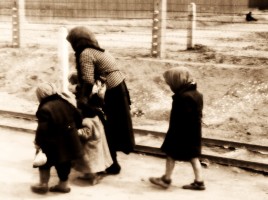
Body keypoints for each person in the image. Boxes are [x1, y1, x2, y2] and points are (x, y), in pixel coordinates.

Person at [66, 26, 135, 175]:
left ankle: (111, 164)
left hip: (111, 94)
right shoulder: (98, 51)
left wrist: (82, 101)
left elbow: (88, 81)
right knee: (113, 127)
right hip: (118, 89)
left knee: (104, 127)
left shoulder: (85, 53)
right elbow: (93, 75)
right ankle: (112, 163)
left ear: (77, 41)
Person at [149, 67, 205, 190]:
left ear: (176, 82)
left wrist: (172, 134)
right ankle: (199, 181)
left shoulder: (182, 97)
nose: (169, 86)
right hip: (194, 132)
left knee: (171, 155)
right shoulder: (198, 94)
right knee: (193, 157)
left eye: (170, 83)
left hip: (179, 132)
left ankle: (166, 179)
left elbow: (179, 119)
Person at [31, 82, 83, 194]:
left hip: (51, 142)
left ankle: (43, 184)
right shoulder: (65, 102)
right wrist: (73, 128)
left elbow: (42, 129)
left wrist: (38, 142)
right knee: (64, 162)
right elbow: (78, 116)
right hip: (69, 139)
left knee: (44, 162)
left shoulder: (44, 108)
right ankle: (63, 185)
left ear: (41, 95)